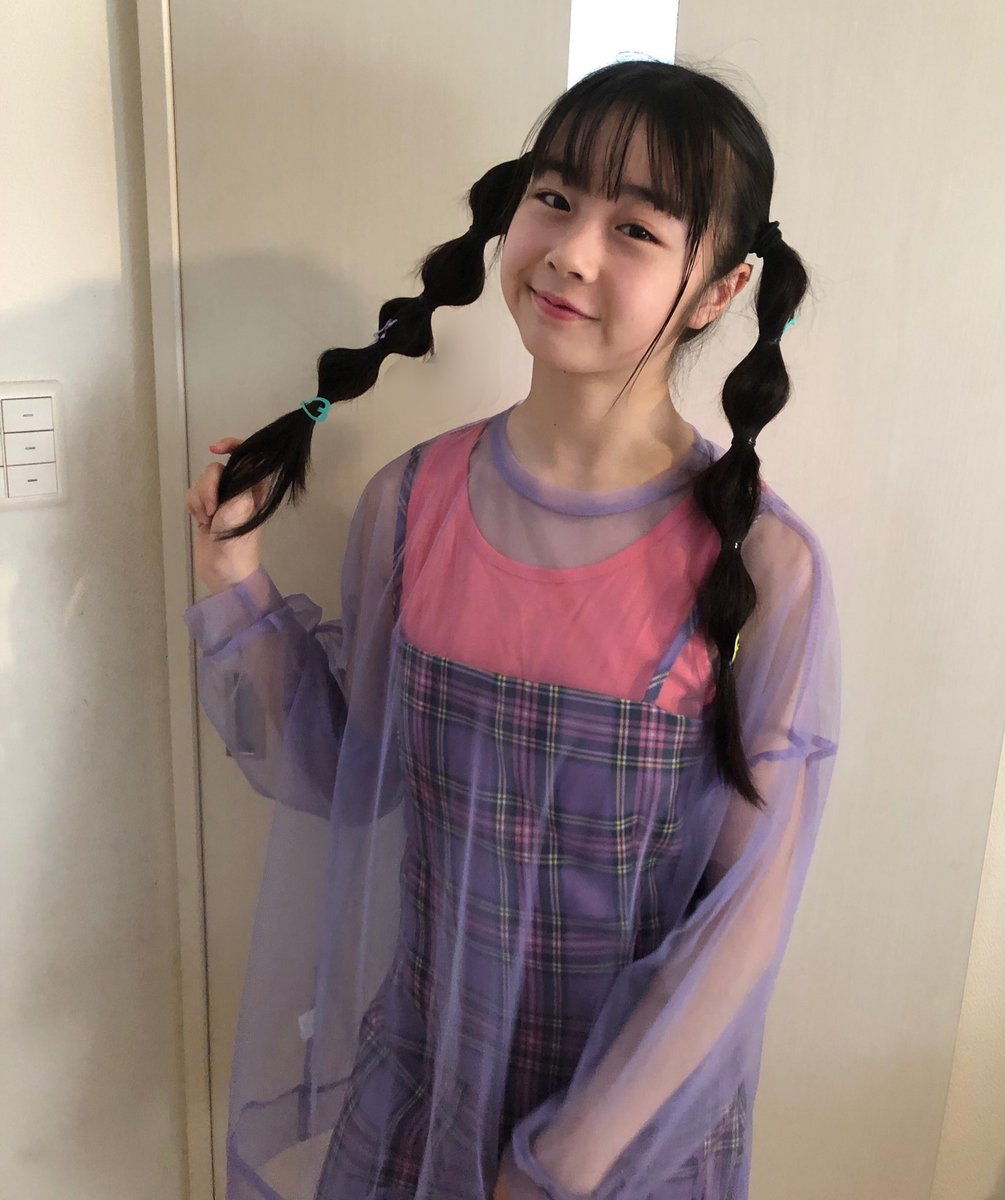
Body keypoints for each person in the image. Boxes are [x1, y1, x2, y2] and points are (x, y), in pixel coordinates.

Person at [183, 57, 841, 1200]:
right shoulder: (409, 503)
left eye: (636, 228)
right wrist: (230, 571)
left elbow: (739, 928)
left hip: (626, 1137)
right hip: (418, 1088)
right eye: (555, 197)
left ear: (720, 289)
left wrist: (557, 1164)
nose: (572, 252)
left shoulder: (766, 567)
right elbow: (350, 769)